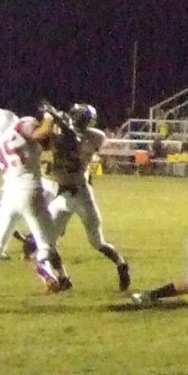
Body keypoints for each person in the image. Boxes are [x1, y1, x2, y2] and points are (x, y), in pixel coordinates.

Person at [0, 107, 72, 295]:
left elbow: (39, 143)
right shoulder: (22, 124)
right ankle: (52, 272)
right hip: (31, 190)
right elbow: (43, 134)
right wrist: (50, 116)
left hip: (9, 195)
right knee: (46, 243)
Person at [42, 104, 131, 291]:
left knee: (97, 242)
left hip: (82, 194)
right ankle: (63, 278)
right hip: (64, 194)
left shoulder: (93, 136)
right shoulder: (85, 135)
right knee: (46, 240)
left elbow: (71, 142)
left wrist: (55, 117)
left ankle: (121, 264)